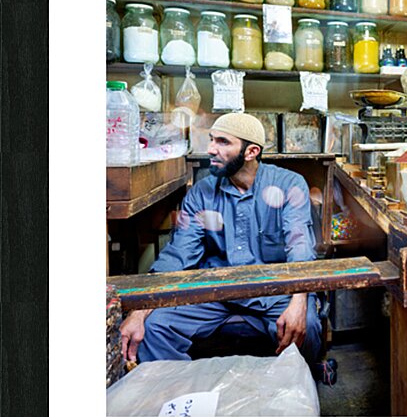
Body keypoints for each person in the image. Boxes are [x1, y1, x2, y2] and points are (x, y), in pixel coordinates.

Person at [119, 112, 336, 382]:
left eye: (223, 142)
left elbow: (300, 246)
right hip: (216, 292)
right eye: (211, 140)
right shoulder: (202, 192)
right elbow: (179, 254)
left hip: (275, 291)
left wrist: (300, 301)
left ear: (251, 151)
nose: (211, 149)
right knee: (155, 327)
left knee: (309, 327)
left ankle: (301, 386)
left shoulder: (289, 184)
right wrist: (141, 308)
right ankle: (180, 399)